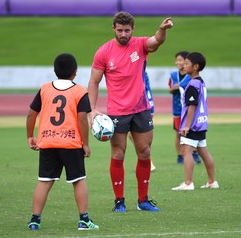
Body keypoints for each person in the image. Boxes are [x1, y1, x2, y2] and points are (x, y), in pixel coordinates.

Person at [88, 11, 173, 212]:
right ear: (114, 29)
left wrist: (162, 29)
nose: (123, 34)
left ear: (132, 29)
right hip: (117, 112)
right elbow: (94, 81)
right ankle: (119, 201)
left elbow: (157, 41)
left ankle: (143, 200)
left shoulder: (140, 45)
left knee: (144, 152)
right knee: (118, 154)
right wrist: (91, 110)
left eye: (127, 30)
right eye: (120, 30)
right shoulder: (104, 52)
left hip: (141, 109)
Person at [26, 53, 99, 231]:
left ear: (54, 71)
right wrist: (85, 144)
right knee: (79, 180)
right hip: (71, 144)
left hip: (48, 142)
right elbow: (82, 119)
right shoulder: (80, 91)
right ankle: (84, 220)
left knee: (44, 181)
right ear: (75, 72)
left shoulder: (44, 89)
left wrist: (30, 136)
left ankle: (35, 220)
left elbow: (31, 114)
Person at [172, 52, 219, 191]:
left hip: (192, 124)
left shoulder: (192, 84)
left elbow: (192, 106)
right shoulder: (201, 82)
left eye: (186, 63)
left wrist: (187, 125)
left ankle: (188, 183)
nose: (183, 65)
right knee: (203, 151)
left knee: (186, 151)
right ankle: (212, 181)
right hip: (202, 122)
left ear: (196, 66)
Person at [169, 51, 201, 164]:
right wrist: (174, 88)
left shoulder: (192, 76)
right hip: (178, 109)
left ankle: (195, 153)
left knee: (193, 131)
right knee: (178, 133)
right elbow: (170, 89)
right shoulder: (173, 75)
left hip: (189, 108)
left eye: (180, 60)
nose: (178, 62)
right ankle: (180, 156)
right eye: (176, 60)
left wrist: (180, 86)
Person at [129, 71, 156, 172]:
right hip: (136, 104)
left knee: (142, 136)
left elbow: (143, 88)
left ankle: (147, 160)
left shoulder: (140, 71)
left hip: (143, 105)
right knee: (132, 135)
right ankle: (146, 158)